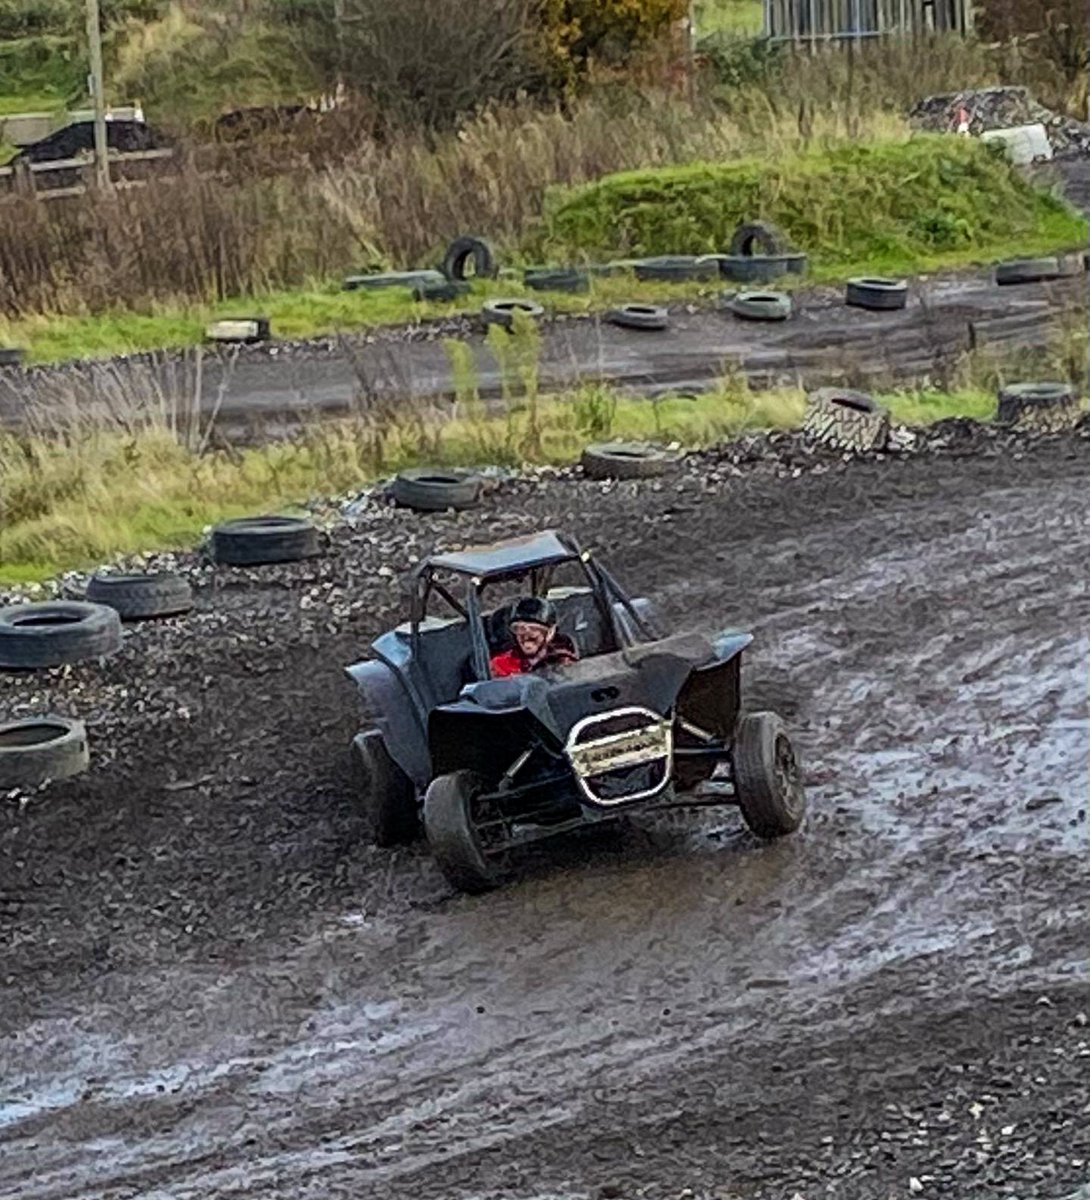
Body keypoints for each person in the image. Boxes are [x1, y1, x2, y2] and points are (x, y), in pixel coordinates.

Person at [489, 596, 578, 678]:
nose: (526, 636)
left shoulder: (563, 662)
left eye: (534, 629)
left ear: (550, 632)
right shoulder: (501, 665)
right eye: (519, 629)